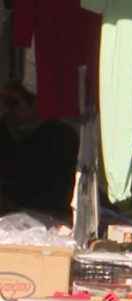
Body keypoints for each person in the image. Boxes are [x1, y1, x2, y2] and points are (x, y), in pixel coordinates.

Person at [0, 82, 79, 219]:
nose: (7, 109)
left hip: (50, 214)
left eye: (13, 104)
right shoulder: (3, 132)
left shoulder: (60, 136)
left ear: (34, 103)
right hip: (8, 215)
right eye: (4, 104)